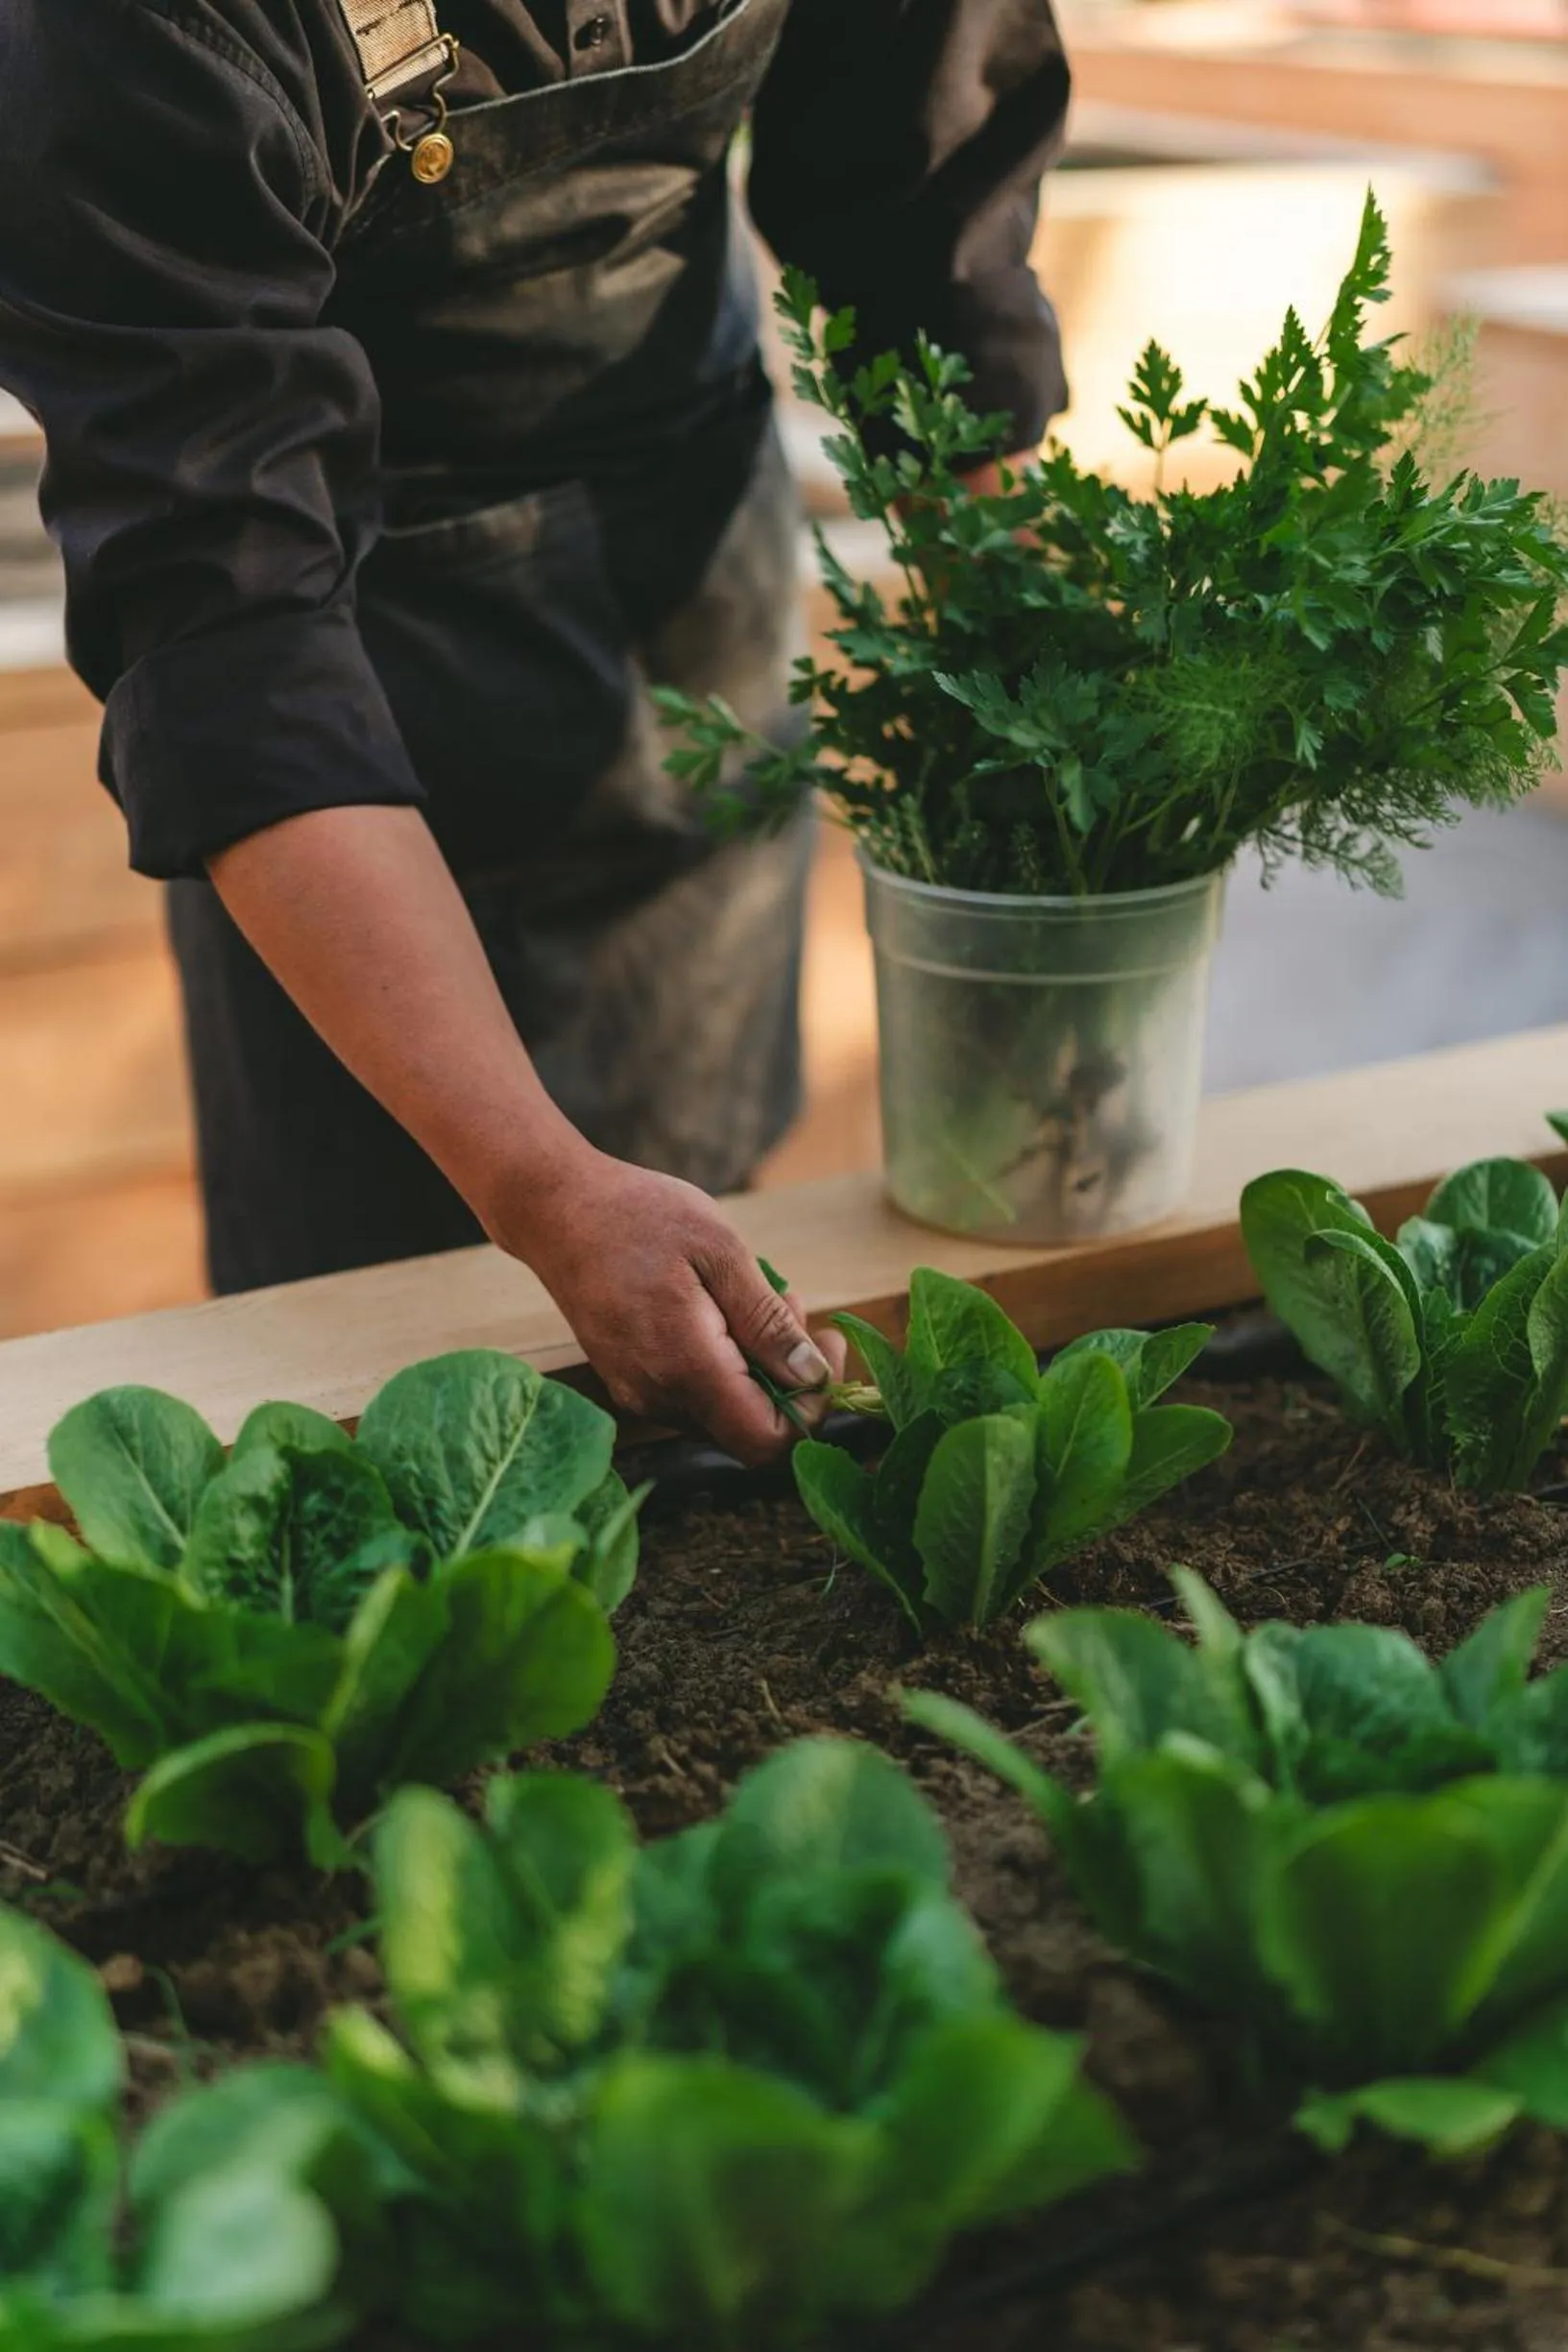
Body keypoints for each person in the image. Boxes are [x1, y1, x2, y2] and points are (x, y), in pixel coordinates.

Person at [0, 0, 1069, 1461]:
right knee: (383, 1374)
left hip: (685, 576)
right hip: (351, 723)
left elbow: (919, 219)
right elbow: (226, 616)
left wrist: (1064, 777)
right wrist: (535, 1180)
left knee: (710, 1282)